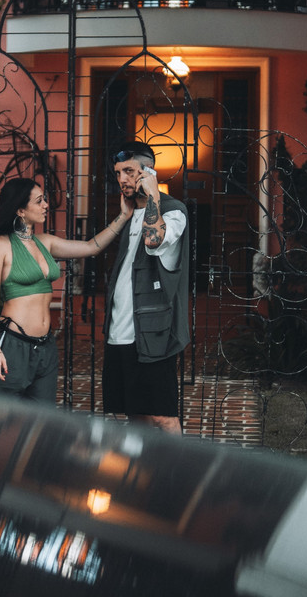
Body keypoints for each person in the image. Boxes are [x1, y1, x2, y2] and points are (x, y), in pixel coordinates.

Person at [0, 177, 133, 403]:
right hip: (10, 345)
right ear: (20, 210)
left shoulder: (45, 242)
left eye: (44, 200)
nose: (46, 205)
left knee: (41, 419)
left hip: (44, 347)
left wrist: (123, 216)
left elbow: (91, 247)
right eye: (39, 201)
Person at [102, 141, 190, 434]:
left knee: (164, 417)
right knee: (135, 414)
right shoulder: (129, 215)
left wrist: (153, 193)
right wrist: (125, 216)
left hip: (152, 335)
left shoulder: (174, 211)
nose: (122, 179)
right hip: (120, 332)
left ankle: (178, 465)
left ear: (148, 171)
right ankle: (143, 463)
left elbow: (154, 240)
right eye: (118, 173)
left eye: (129, 171)